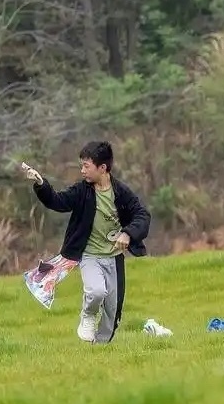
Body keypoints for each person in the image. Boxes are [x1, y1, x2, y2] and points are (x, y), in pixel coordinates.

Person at [21, 141, 151, 343]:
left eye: (86, 166)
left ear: (103, 168)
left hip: (114, 259)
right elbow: (57, 201)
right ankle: (87, 316)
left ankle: (99, 349)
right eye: (81, 166)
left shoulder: (121, 193)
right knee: (96, 291)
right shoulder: (82, 191)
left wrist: (128, 234)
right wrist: (41, 184)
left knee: (112, 311)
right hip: (90, 256)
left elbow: (142, 215)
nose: (82, 171)